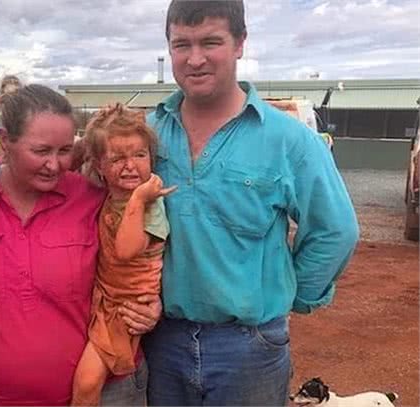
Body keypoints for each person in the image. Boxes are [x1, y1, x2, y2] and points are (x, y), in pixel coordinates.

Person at [142, 1, 360, 406]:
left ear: (240, 43)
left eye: (211, 42)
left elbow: (336, 230)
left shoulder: (288, 139)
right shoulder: (148, 135)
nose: (195, 59)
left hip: (249, 348)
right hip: (160, 341)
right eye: (180, 45)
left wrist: (292, 296)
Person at [0, 79, 162, 406]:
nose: (54, 164)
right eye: (40, 151)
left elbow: (143, 255)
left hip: (107, 392)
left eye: (65, 150)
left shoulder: (94, 197)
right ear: (5, 141)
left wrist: (150, 302)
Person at [70, 104, 175, 406]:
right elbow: (73, 162)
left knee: (87, 382)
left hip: (126, 307)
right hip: (106, 297)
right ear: (99, 165)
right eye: (117, 158)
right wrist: (97, 128)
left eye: (140, 155)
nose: (130, 166)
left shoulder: (149, 204)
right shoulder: (112, 194)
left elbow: (127, 250)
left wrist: (139, 199)